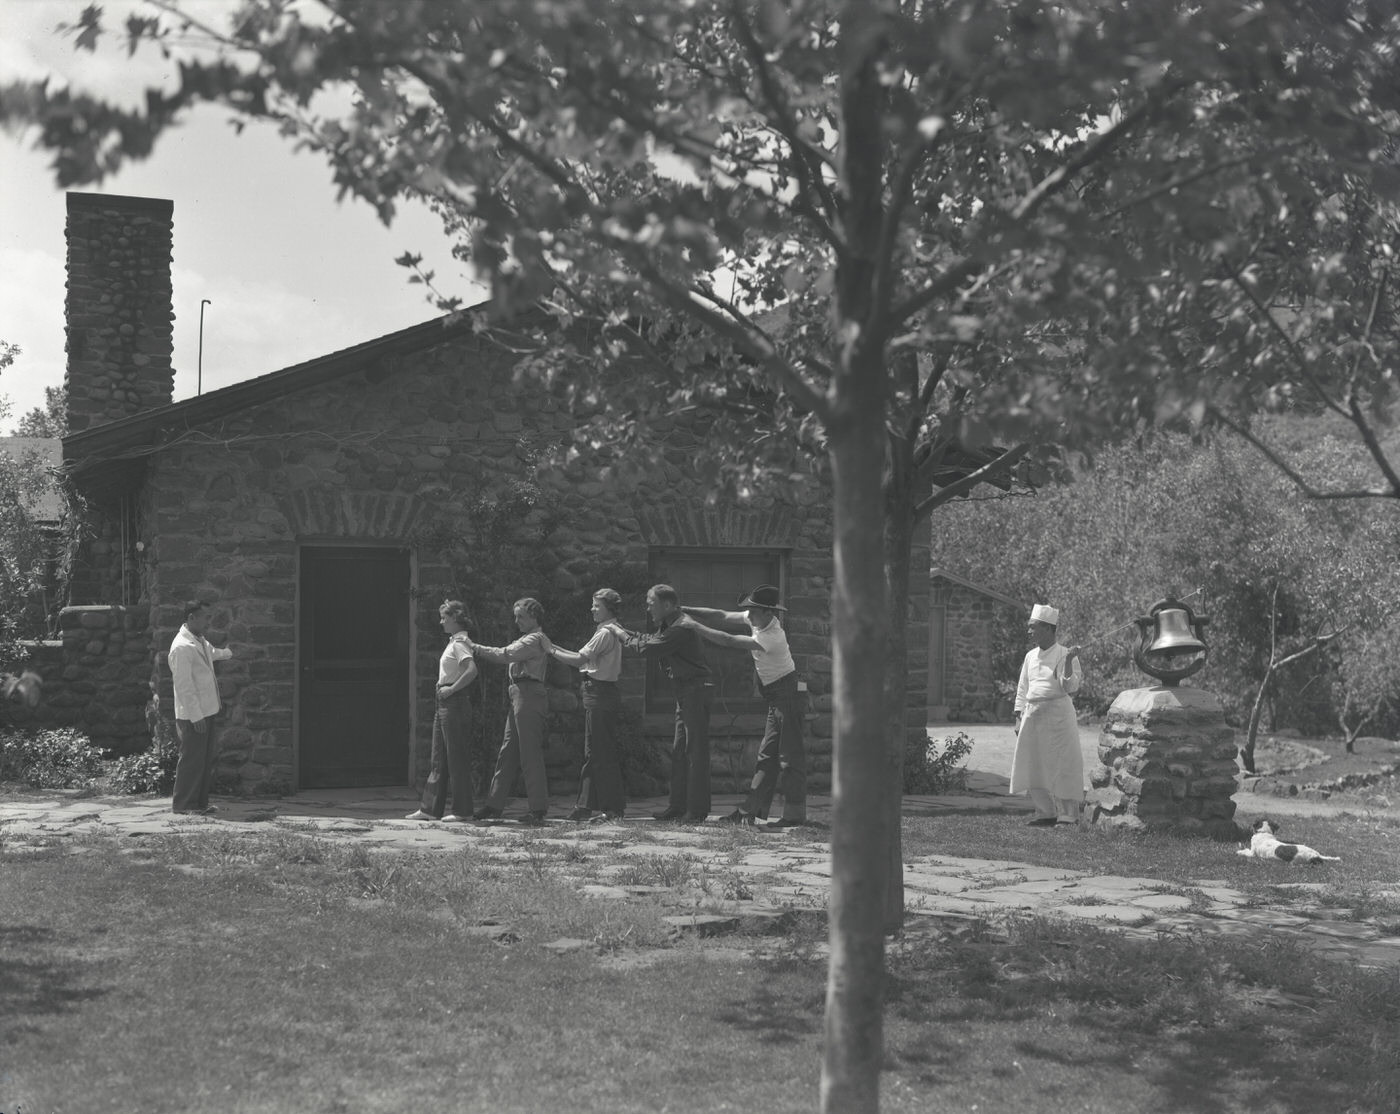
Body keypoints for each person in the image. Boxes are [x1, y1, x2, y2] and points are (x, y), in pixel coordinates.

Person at [683, 584, 806, 828]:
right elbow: (721, 616)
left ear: (768, 612)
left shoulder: (771, 636)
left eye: (752, 611)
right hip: (776, 698)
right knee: (767, 756)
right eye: (747, 610)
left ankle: (795, 815)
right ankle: (750, 811)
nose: (747, 615)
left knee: (789, 758)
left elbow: (729, 641)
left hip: (789, 696)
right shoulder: (757, 620)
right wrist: (686, 608)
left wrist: (693, 625)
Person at [607, 584, 712, 823]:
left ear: (667, 605)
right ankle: (678, 807)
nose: (647, 609)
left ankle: (696, 811)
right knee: (679, 752)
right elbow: (649, 639)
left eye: (651, 604)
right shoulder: (669, 625)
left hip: (695, 691)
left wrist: (620, 634)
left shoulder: (681, 627)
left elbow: (647, 648)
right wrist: (624, 631)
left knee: (694, 752)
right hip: (685, 692)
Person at [544, 588, 626, 823]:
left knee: (601, 752)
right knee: (593, 752)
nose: (592, 609)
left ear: (608, 608)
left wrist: (550, 649)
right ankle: (584, 806)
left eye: (597, 606)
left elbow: (579, 659)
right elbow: (582, 656)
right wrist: (554, 648)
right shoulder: (606, 630)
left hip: (600, 693)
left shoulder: (605, 633)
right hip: (597, 693)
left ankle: (612, 809)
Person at [469, 598, 552, 825]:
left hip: (529, 694)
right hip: (517, 693)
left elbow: (505, 654)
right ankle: (494, 805)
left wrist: (474, 647)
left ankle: (537, 809)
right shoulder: (526, 638)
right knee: (508, 751)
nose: (517, 621)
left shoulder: (535, 639)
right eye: (515, 616)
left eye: (521, 617)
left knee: (529, 752)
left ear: (534, 617)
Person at [1010, 603, 1084, 827]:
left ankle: (1068, 815)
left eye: (1033, 627)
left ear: (1048, 628)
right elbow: (1023, 688)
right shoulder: (1030, 656)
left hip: (1059, 715)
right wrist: (1018, 715)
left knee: (1063, 763)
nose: (1029, 631)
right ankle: (1045, 812)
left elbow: (1070, 687)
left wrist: (1070, 662)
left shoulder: (1065, 654)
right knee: (1035, 763)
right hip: (1033, 715)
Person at [406, 600, 479, 823]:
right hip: (444, 703)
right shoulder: (453, 642)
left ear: (456, 618)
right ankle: (429, 809)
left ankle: (463, 811)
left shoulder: (460, 643)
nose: (441, 622)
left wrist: (452, 689)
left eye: (444, 618)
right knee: (439, 757)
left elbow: (471, 670)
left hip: (454, 702)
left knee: (456, 757)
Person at [167, 599, 233, 815]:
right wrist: (196, 717)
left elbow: (211, 653)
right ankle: (184, 804)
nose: (208, 621)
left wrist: (229, 653)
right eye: (204, 617)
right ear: (191, 618)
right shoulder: (181, 647)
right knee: (192, 760)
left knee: (204, 760)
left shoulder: (199, 640)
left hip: (208, 710)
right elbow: (184, 686)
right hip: (193, 715)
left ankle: (199, 804)